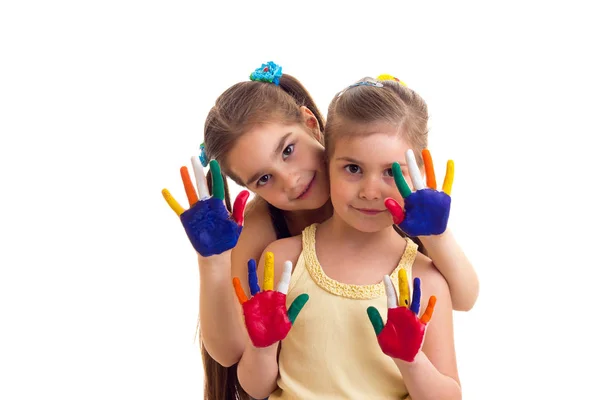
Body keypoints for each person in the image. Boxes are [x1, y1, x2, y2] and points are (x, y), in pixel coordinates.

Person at [164, 62, 476, 398]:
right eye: (264, 179)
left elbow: (463, 296)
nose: (291, 179)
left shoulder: (391, 187)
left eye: (288, 151)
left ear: (313, 126)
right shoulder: (270, 239)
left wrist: (436, 235)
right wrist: (212, 261)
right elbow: (231, 355)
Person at [234, 76, 462, 399]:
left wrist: (411, 362)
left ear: (417, 175)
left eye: (390, 171)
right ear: (327, 163)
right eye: (353, 169)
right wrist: (262, 347)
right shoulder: (283, 262)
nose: (370, 191)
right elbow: (255, 389)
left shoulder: (423, 281)